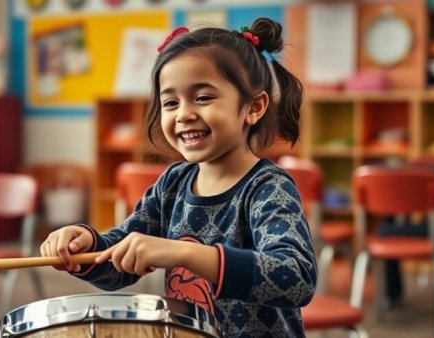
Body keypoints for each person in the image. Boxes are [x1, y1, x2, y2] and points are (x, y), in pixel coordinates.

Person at [40, 17, 317, 337]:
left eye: (202, 97)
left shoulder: (268, 189)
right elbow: (119, 260)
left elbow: (296, 278)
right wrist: (87, 244)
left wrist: (183, 253)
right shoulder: (172, 184)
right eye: (170, 102)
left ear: (253, 107)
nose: (183, 113)